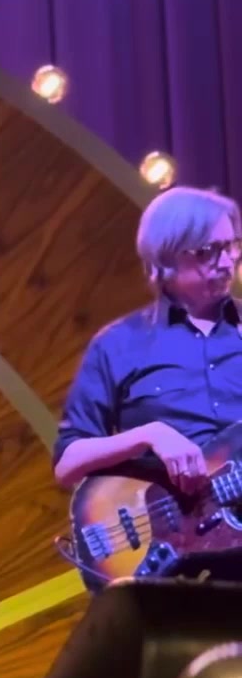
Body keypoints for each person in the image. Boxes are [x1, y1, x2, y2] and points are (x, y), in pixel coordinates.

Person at [52, 184, 242, 497]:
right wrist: (148, 435)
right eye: (208, 251)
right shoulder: (117, 344)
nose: (226, 263)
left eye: (231, 246)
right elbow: (67, 464)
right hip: (167, 524)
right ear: (166, 257)